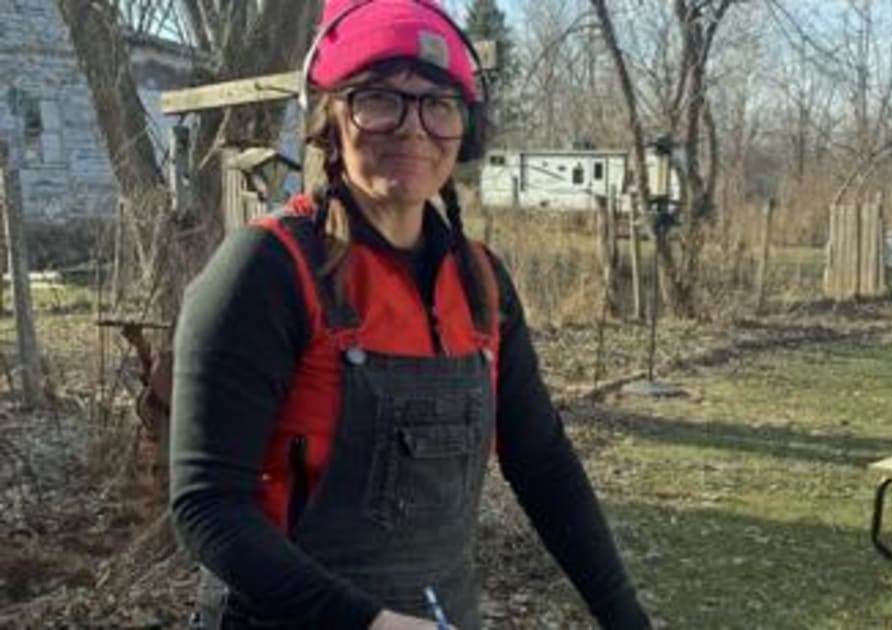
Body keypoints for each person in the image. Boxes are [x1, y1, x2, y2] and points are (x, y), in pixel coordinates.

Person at [168, 1, 651, 628]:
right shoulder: (267, 271)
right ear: (330, 120)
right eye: (378, 99)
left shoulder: (481, 283)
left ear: (465, 131)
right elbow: (207, 507)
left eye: (438, 104)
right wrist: (369, 623)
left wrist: (624, 616)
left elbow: (543, 463)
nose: (412, 128)